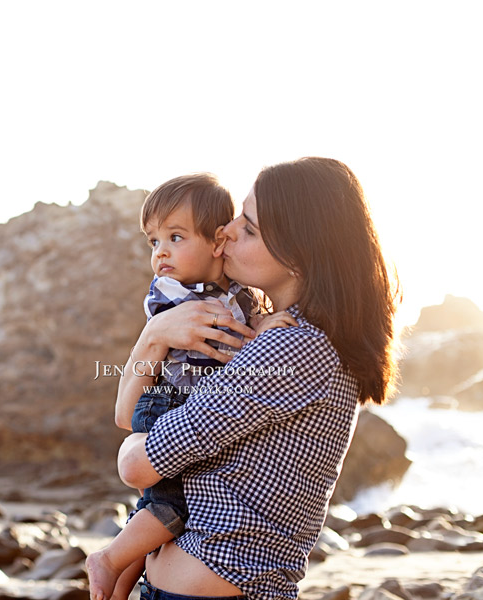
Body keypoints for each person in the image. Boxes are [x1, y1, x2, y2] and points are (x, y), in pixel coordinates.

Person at [113, 157, 398, 600]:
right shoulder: (276, 331)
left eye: (248, 228)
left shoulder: (293, 346)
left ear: (300, 256)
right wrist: (154, 335)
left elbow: (137, 463)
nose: (226, 232)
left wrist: (137, 436)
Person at [86, 174, 295, 600]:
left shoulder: (237, 293)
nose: (160, 251)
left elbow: (239, 331)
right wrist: (256, 332)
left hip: (187, 404)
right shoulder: (174, 294)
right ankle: (107, 561)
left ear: (217, 242)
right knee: (173, 506)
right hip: (167, 401)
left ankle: (116, 579)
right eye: (153, 242)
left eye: (175, 237)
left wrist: (262, 323)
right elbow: (224, 336)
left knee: (157, 511)